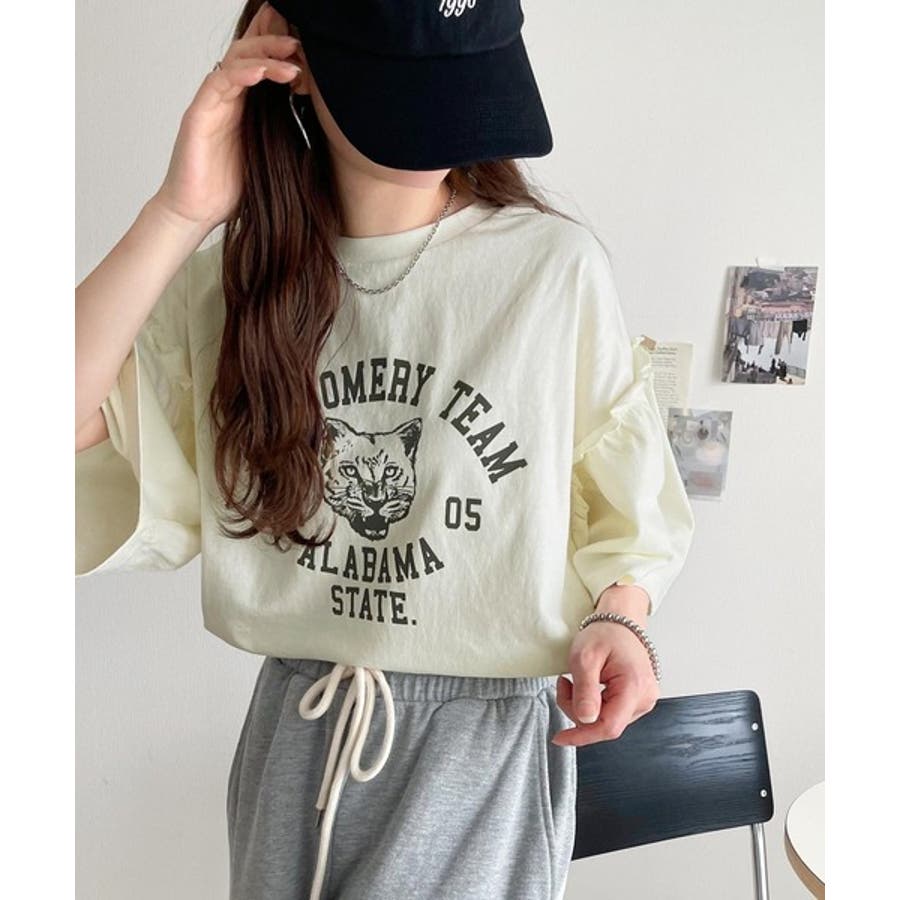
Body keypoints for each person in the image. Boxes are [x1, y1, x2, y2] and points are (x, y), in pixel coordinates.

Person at [74, 2, 695, 899]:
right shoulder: (233, 286)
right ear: (290, 51)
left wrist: (620, 615)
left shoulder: (552, 269)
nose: (442, 122)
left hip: (479, 745)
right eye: (408, 83)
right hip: (299, 729)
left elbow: (624, 491)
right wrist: (179, 212)